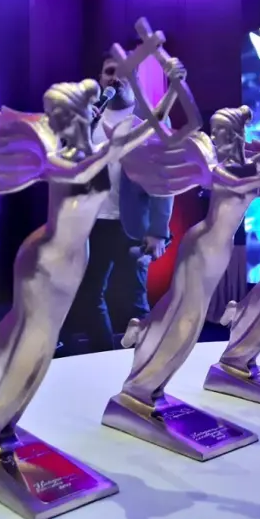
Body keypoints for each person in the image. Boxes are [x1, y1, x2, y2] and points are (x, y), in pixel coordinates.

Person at [66, 53, 175, 352]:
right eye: (110, 72)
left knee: (133, 301)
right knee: (89, 296)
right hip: (93, 223)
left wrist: (158, 230)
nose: (116, 78)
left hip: (133, 224)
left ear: (136, 79)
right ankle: (103, 359)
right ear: (101, 79)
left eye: (125, 72)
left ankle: (144, 363)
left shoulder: (148, 122)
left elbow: (163, 180)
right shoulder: (89, 121)